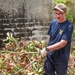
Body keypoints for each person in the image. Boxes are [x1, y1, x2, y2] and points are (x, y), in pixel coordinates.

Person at [41, 3, 73, 75]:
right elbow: (50, 37)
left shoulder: (68, 26)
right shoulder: (53, 22)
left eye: (60, 13)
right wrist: (45, 50)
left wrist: (47, 48)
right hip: (50, 56)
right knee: (48, 73)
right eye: (56, 13)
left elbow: (62, 44)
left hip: (61, 58)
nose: (58, 16)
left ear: (65, 13)